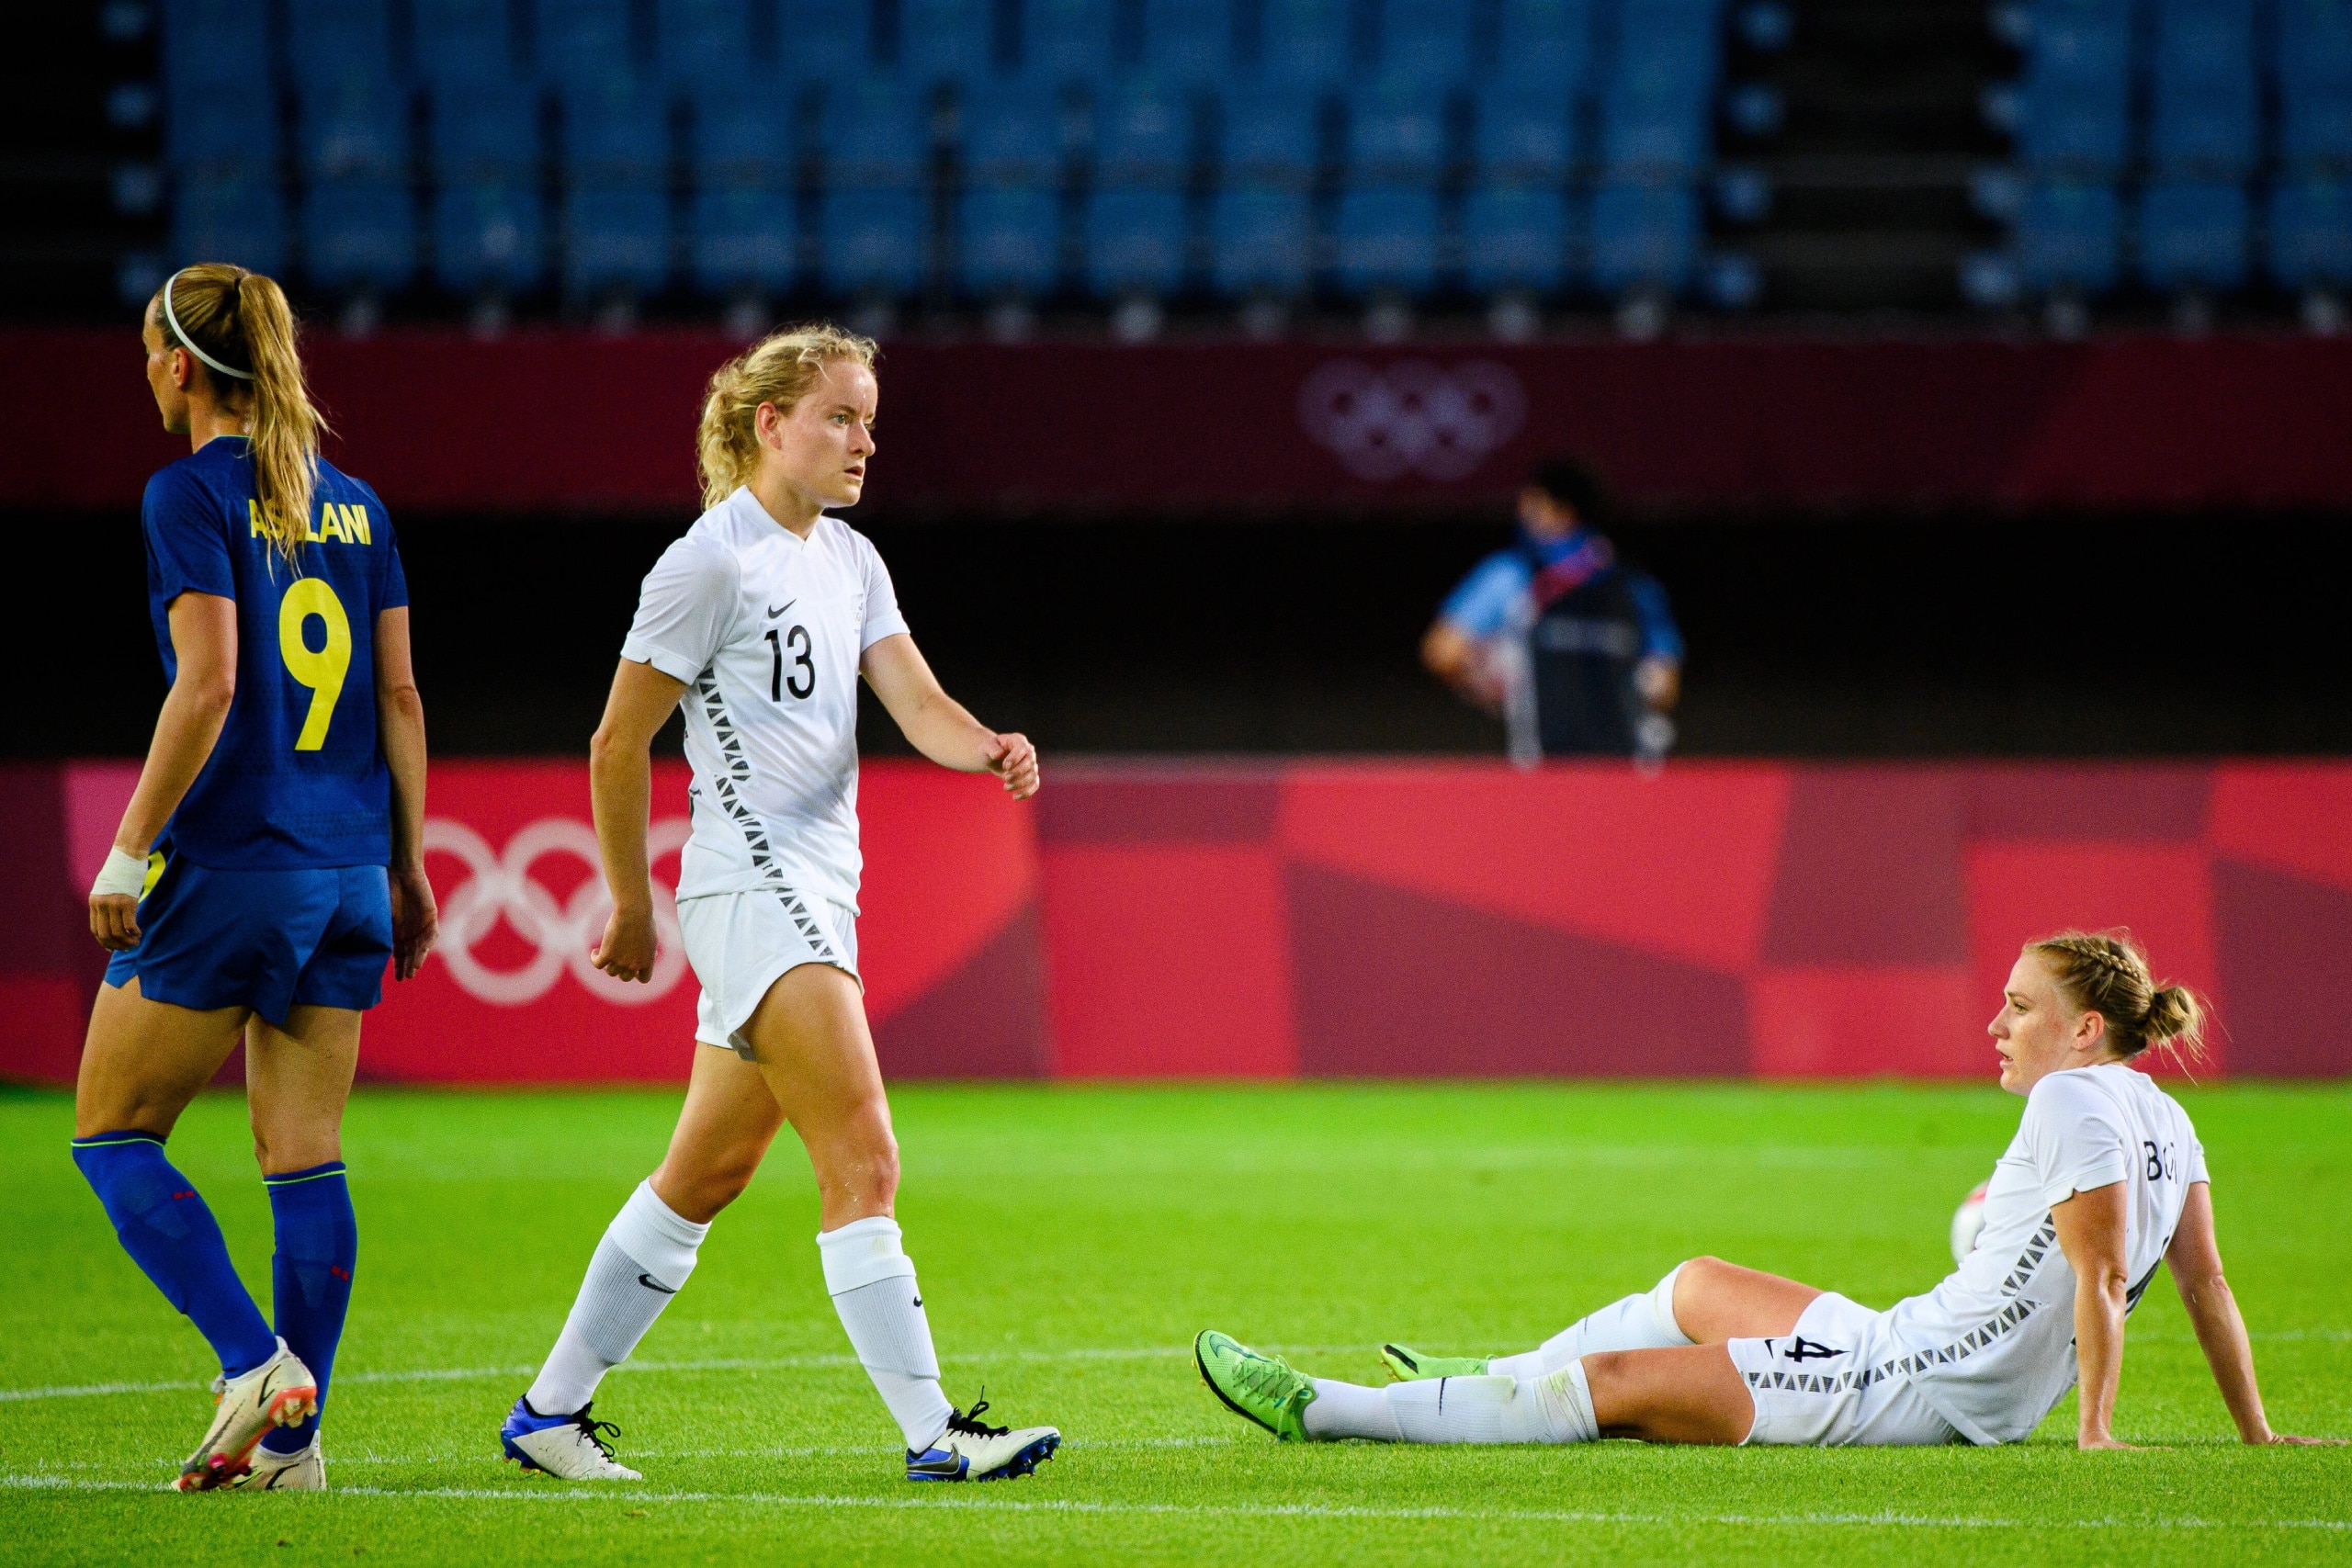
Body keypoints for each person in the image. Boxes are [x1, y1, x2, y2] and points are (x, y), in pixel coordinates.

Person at [498, 325, 1059, 1485]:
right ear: (769, 425)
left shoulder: (849, 561)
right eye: (840, 419)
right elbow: (616, 742)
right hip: (753, 891)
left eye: (869, 421)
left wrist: (988, 745)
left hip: (818, 891)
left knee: (702, 1176)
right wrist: (630, 903)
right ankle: (933, 1432)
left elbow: (915, 699)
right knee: (864, 1153)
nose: (864, 442)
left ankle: (547, 1415)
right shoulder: (710, 562)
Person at [1197, 931, 2342, 1454]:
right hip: (1925, 1348)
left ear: (2083, 1028)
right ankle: (1484, 1376)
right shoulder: (2168, 1114)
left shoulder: (2069, 1102)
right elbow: (2206, 1284)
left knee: (1617, 1386)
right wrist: (2255, 1431)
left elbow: (2095, 1272)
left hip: (1911, 1385)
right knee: (1694, 1283)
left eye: (2017, 1007)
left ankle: (1325, 1409)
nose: (1994, 1025)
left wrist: (2093, 1434)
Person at [75, 264, 436, 1493]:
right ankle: (296, 1443)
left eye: (145, 355)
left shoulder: (185, 493)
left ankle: (247, 1362)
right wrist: (410, 862)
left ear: (180, 366)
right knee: (305, 1151)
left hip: (236, 860)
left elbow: (212, 679)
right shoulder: (357, 503)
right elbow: (397, 693)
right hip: (347, 867)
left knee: (112, 1131)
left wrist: (130, 848)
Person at [1420, 457, 1682, 764]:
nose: (1523, 512)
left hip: (1545, 773)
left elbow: (1442, 651)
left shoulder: (1512, 575)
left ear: (1561, 510)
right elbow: (1664, 685)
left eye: (1533, 503)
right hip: (1626, 771)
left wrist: (1495, 684)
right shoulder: (1636, 585)